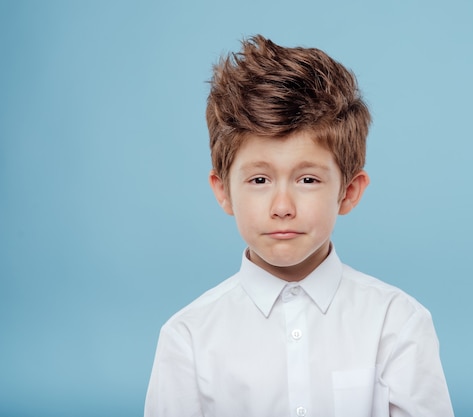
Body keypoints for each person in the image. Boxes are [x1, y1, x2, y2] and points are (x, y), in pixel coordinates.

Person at [144, 34, 454, 417]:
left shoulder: (398, 323)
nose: (282, 207)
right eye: (259, 180)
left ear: (349, 192)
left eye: (307, 179)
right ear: (223, 191)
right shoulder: (187, 337)